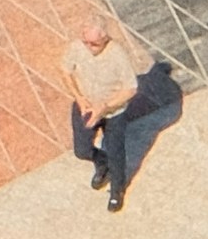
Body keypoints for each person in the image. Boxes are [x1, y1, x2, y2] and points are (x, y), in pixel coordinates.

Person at [62, 20, 168, 210]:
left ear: (105, 39)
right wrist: (79, 98)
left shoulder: (117, 55)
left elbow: (131, 88)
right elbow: (65, 70)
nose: (89, 47)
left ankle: (117, 190)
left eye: (94, 44)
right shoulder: (78, 48)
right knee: (81, 150)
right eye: (86, 42)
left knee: (116, 153)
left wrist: (106, 106)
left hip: (114, 112)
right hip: (86, 105)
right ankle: (101, 162)